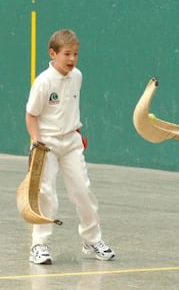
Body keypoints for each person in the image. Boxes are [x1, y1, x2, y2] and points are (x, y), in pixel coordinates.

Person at [25, 29, 115, 264]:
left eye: (75, 54)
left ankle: (92, 240)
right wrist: (36, 142)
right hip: (47, 145)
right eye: (67, 54)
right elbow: (31, 115)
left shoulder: (77, 76)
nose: (72, 59)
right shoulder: (43, 81)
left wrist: (73, 132)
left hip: (72, 143)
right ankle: (39, 246)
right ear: (52, 53)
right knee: (46, 195)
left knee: (83, 192)